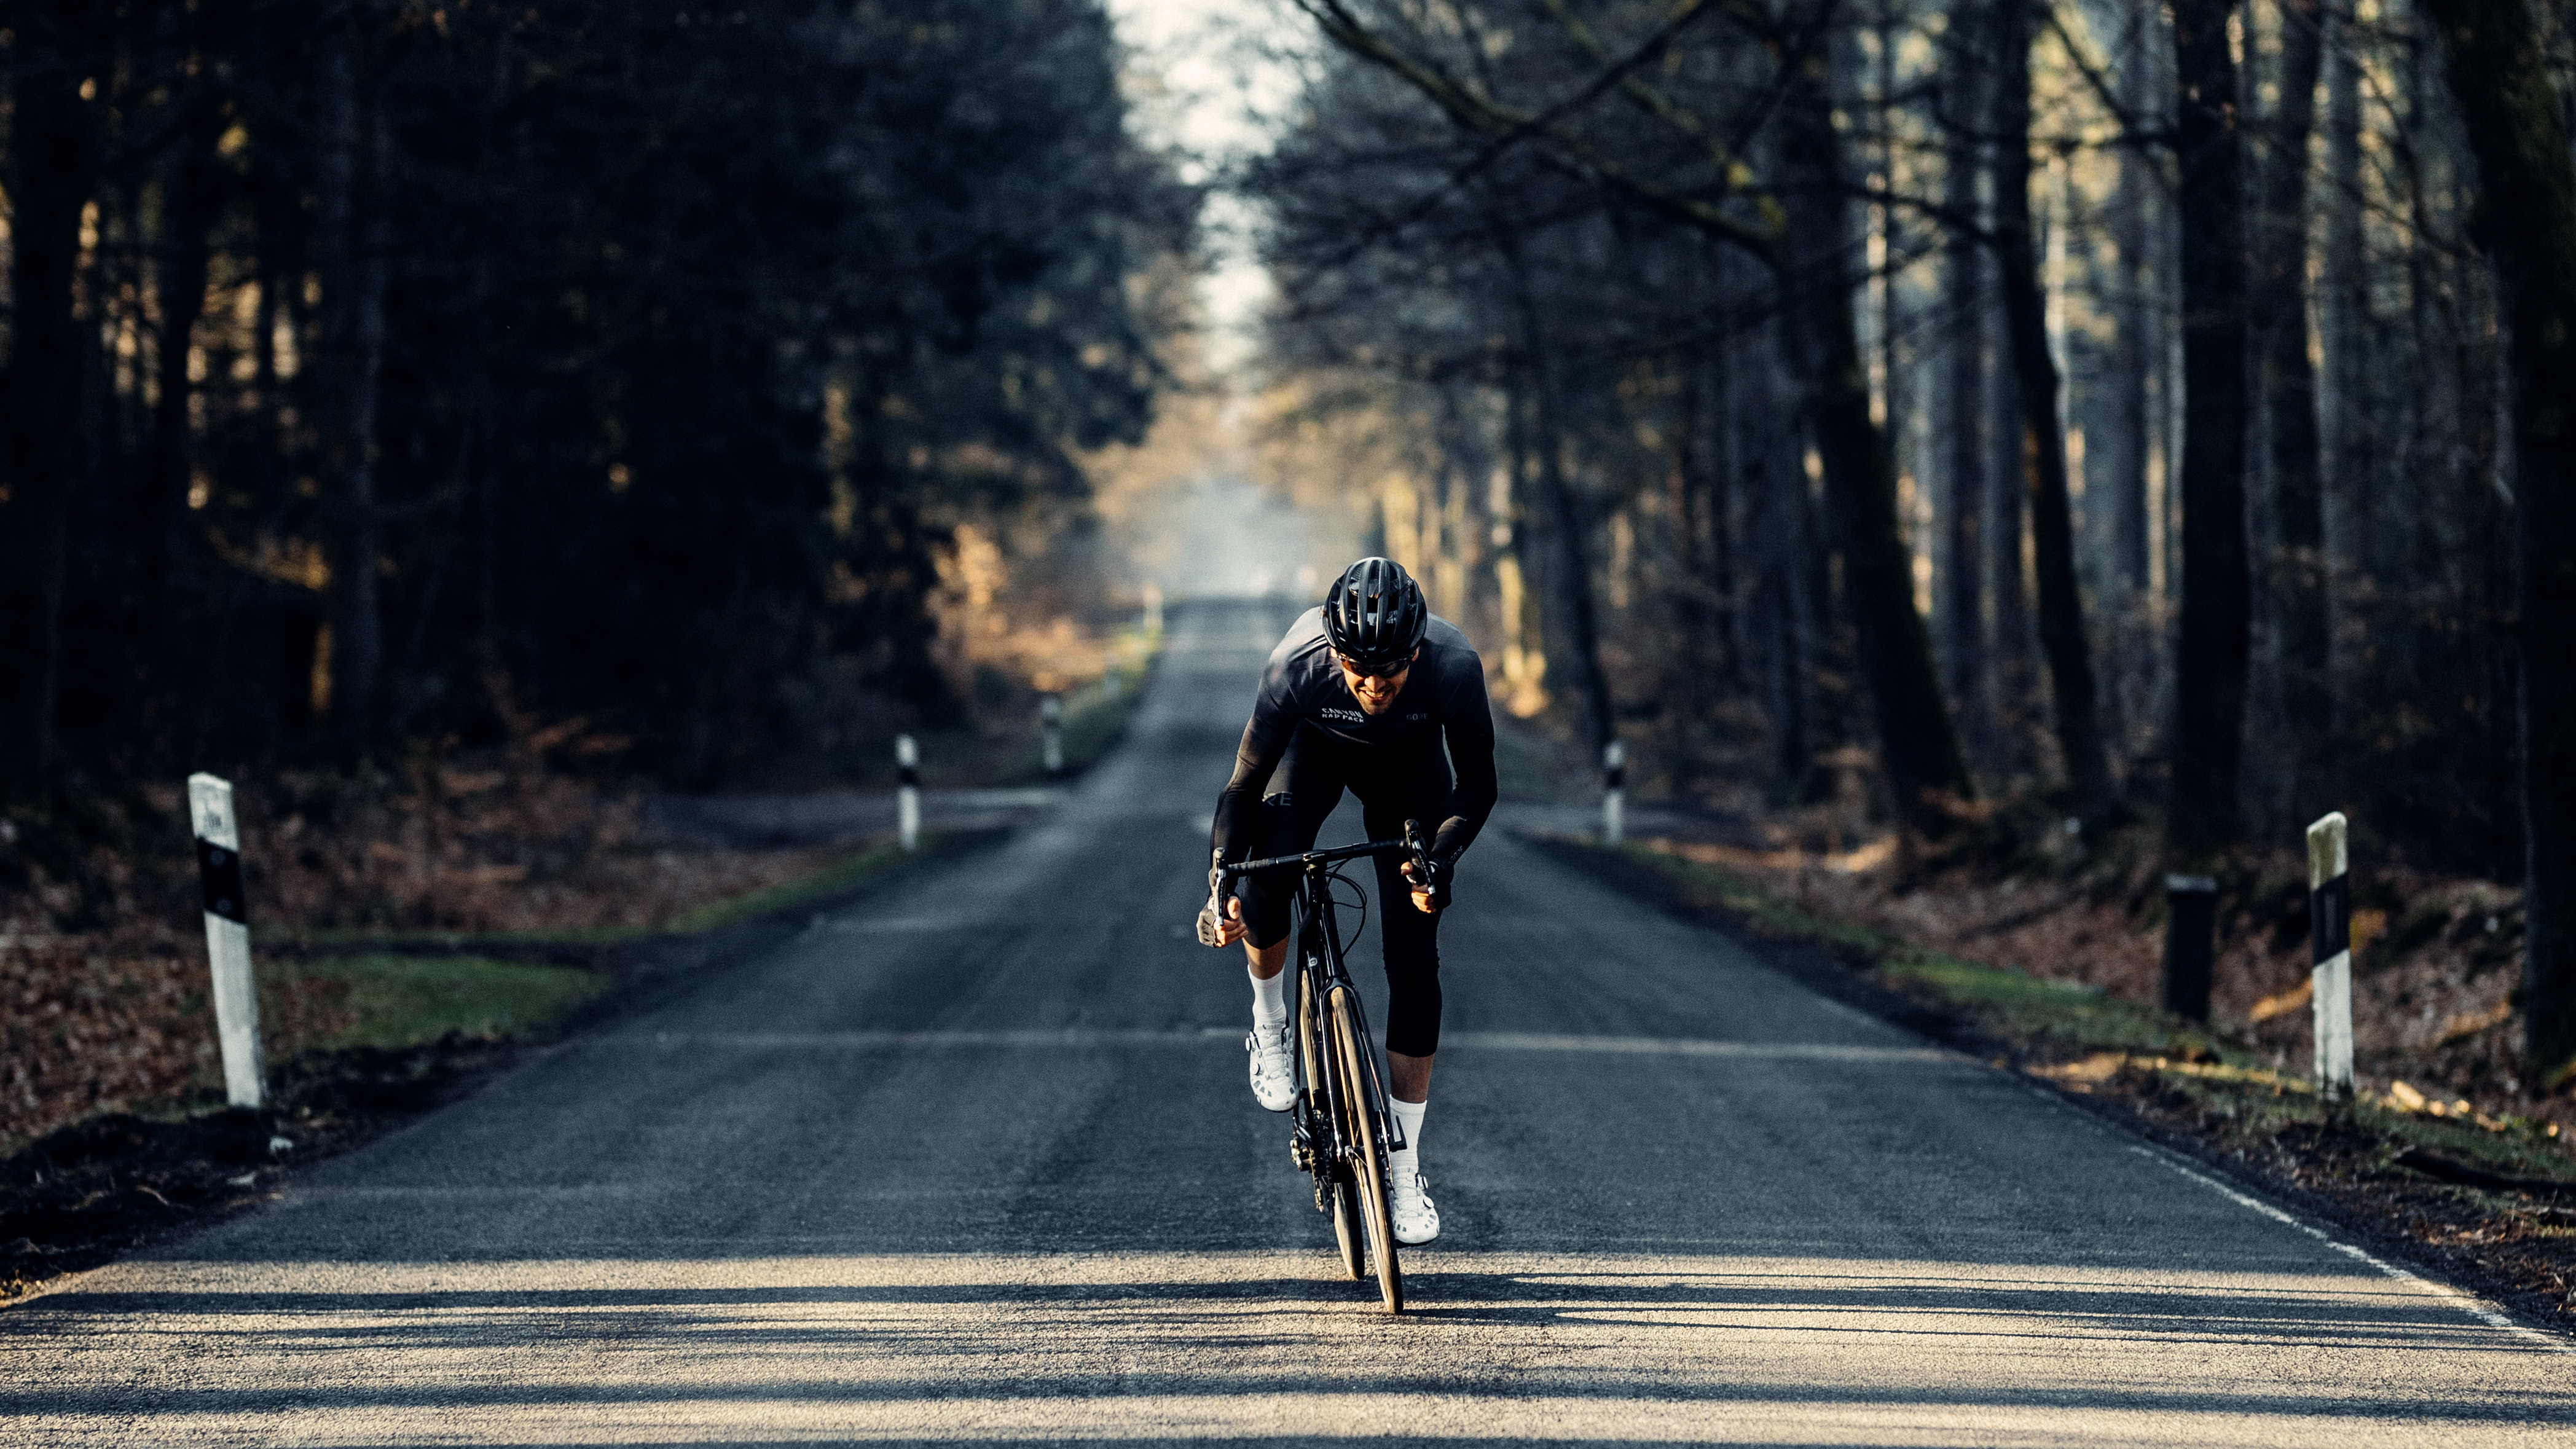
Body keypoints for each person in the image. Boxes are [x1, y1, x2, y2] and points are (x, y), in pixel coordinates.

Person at [1200, 556, 1498, 1245]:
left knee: (1414, 955)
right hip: (1313, 754)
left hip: (1409, 773)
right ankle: (1268, 1021)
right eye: (1356, 668)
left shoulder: (1453, 668)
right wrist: (1220, 883)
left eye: (1388, 672)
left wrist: (1438, 862)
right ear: (1334, 653)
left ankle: (1403, 1168)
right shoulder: (1297, 666)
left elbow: (1476, 789)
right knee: (1264, 880)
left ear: (1415, 653)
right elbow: (1242, 786)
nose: (1371, 684)